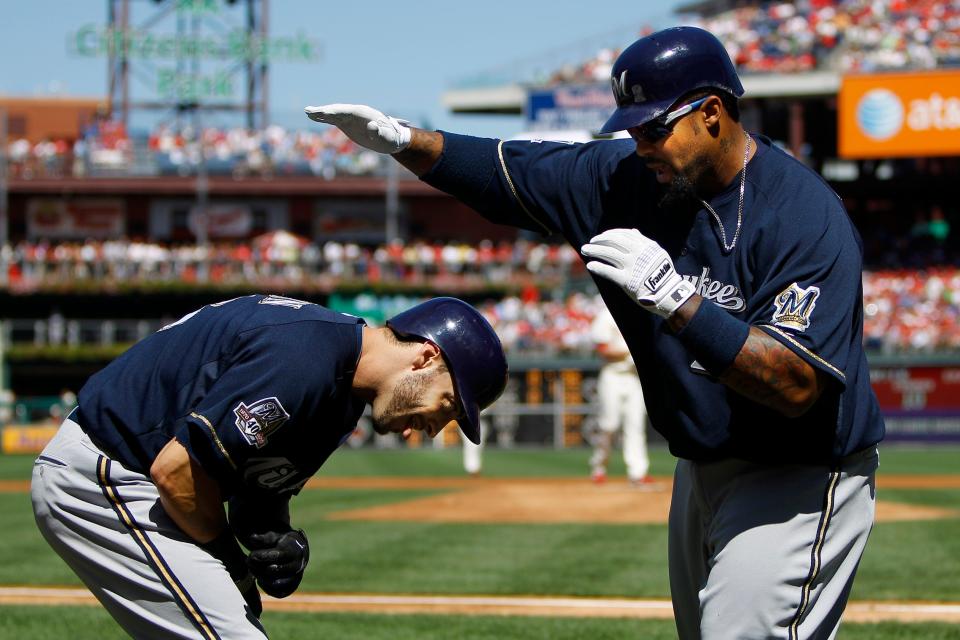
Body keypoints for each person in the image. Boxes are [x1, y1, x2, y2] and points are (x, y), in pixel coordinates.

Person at [305, 25, 885, 639]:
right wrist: (403, 140)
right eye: (631, 129)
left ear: (712, 113)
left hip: (801, 467)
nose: (640, 145)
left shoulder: (803, 214)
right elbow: (507, 174)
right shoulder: (623, 181)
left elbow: (796, 387)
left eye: (654, 128)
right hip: (702, 467)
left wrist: (680, 304)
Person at [31, 294, 507, 639]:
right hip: (107, 473)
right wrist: (230, 561)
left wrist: (274, 536)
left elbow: (254, 488)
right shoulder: (306, 358)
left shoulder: (338, 390)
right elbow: (176, 471)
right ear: (427, 356)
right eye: (446, 404)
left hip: (132, 477)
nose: (430, 427)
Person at [588, 300, 650, 487]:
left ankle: (637, 473)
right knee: (609, 424)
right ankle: (599, 466)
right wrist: (629, 351)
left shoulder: (638, 315)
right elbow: (603, 349)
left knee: (636, 425)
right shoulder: (605, 316)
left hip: (633, 377)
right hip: (612, 374)